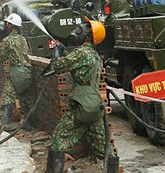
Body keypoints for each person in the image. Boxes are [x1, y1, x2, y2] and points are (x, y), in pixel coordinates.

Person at [45, 19, 115, 173]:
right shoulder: (93, 54)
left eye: (79, 29)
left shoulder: (80, 53)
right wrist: (64, 51)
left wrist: (56, 54)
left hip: (81, 107)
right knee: (103, 149)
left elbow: (57, 66)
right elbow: (79, 64)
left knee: (58, 139)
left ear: (88, 36)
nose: (76, 31)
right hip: (94, 107)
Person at [0, 13, 32, 130]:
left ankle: (4, 123)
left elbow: (2, 58)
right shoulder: (23, 39)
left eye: (8, 23)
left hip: (16, 72)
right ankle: (27, 123)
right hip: (27, 71)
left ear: (10, 25)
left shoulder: (7, 40)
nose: (6, 24)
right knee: (25, 97)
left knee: (7, 96)